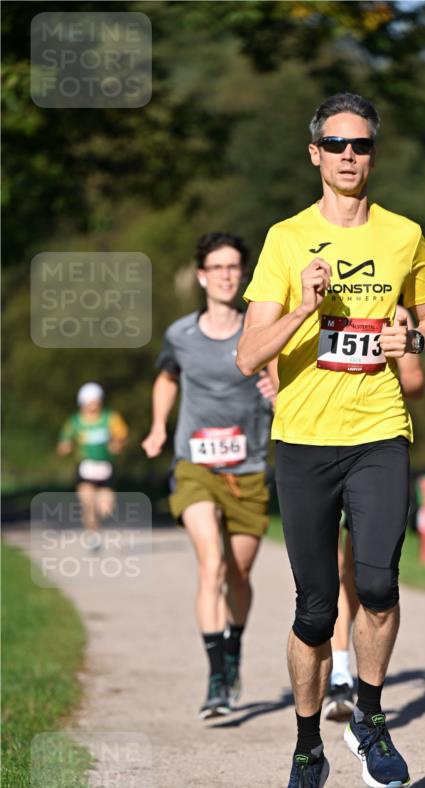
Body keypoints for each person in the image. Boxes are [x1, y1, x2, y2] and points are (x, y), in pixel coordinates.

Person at [238, 92, 425, 788]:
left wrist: (413, 339)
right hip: (303, 441)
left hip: (379, 431)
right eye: (335, 144)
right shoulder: (286, 238)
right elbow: (247, 354)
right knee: (314, 609)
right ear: (315, 154)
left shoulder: (403, 234)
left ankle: (369, 714)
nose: (348, 155)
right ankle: (307, 753)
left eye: (359, 144)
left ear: (373, 154)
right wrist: (303, 306)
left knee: (379, 583)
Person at [142, 232, 276, 719]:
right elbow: (167, 377)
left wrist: (277, 391)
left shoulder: (263, 332)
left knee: (239, 576)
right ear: (202, 276)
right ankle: (216, 680)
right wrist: (159, 426)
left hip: (249, 469)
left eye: (233, 267)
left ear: (244, 275)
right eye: (217, 267)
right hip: (195, 465)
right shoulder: (181, 335)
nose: (225, 275)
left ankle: (233, 650)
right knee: (211, 565)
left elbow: (287, 384)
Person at [326, 303, 425, 721]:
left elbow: (415, 384)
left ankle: (348, 679)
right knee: (329, 569)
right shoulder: (312, 298)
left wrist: (407, 344)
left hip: (373, 446)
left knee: (363, 572)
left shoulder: (395, 312)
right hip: (315, 444)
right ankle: (338, 672)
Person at [57, 382, 128, 546]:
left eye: (96, 401)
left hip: (105, 468)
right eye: (90, 401)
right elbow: (63, 443)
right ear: (82, 402)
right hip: (85, 469)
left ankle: (98, 521)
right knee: (87, 503)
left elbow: (122, 437)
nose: (93, 405)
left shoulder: (110, 418)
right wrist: (66, 447)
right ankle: (93, 534)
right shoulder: (75, 422)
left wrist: (118, 444)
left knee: (105, 509)